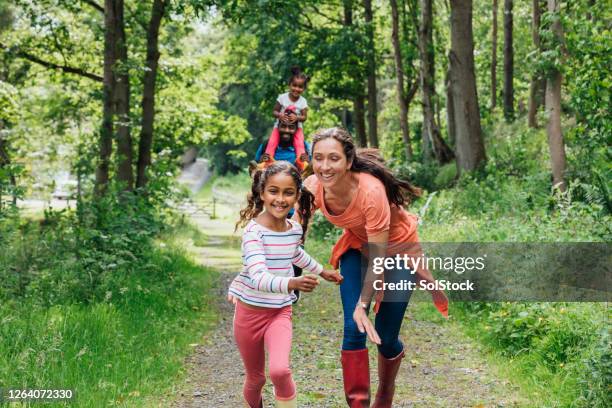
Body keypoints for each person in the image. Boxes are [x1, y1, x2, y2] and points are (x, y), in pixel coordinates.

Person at [301, 127, 449, 408]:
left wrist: (363, 303)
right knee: (353, 327)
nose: (324, 166)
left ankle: (386, 389)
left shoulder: (371, 191)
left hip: (398, 251)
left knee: (385, 336)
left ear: (348, 160)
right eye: (318, 158)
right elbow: (296, 226)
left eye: (333, 158)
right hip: (357, 247)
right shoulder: (312, 187)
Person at [228, 161, 343, 408]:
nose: (280, 199)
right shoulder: (253, 233)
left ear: (297, 196)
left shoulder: (294, 230)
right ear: (262, 193)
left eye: (288, 192)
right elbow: (258, 277)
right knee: (256, 379)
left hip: (279, 312)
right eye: (273, 191)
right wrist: (292, 282)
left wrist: (323, 271)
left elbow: (295, 254)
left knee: (280, 371)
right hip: (248, 315)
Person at [261, 66, 310, 171]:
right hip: (280, 125)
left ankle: (303, 165)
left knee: (300, 145)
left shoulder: (303, 101)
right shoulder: (282, 97)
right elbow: (274, 111)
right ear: (289, 85)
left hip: (297, 127)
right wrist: (280, 115)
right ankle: (264, 165)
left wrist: (297, 117)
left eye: (300, 87)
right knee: (271, 143)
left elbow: (304, 117)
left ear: (304, 89)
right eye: (294, 85)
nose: (296, 89)